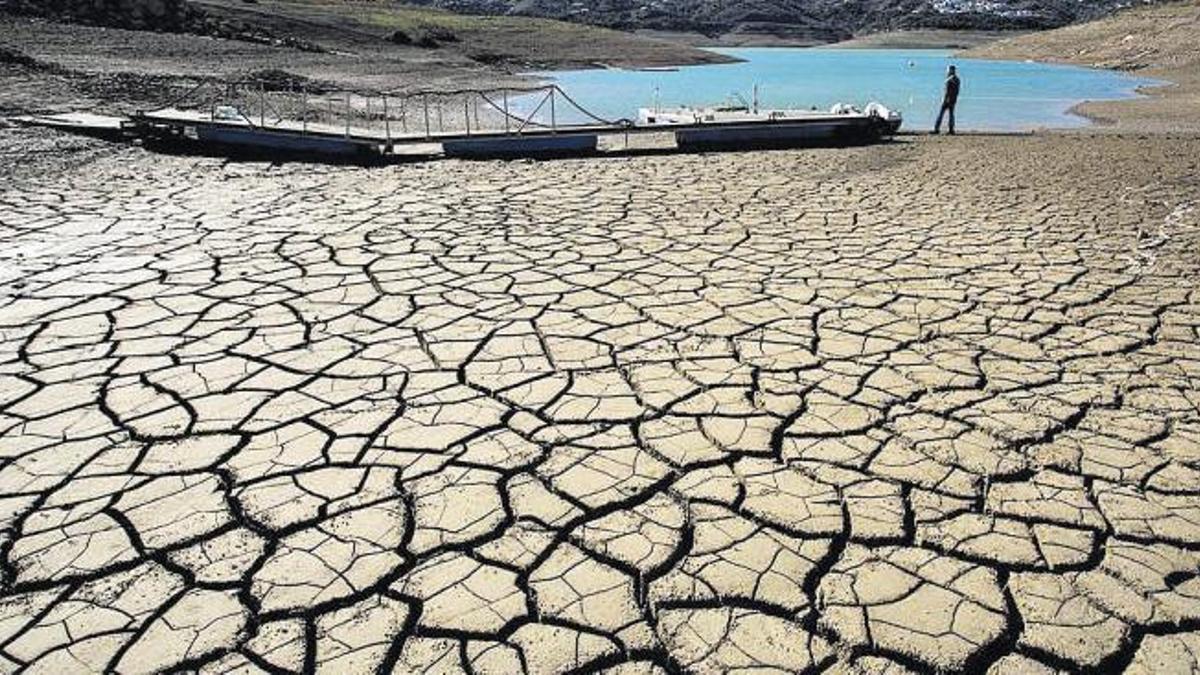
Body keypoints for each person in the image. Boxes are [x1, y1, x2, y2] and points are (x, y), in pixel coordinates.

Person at [934, 65, 960, 135]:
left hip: (948, 99)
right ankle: (951, 129)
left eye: (948, 70)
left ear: (952, 70)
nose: (947, 71)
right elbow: (956, 91)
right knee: (951, 114)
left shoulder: (950, 79)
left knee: (941, 114)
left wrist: (945, 99)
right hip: (953, 99)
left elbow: (947, 91)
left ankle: (937, 129)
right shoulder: (956, 79)